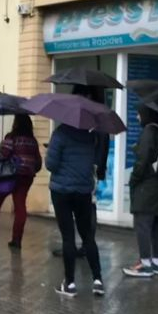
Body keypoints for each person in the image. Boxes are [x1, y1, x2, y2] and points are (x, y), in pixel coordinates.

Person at [47, 122, 104, 297]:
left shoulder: (60, 134)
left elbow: (51, 164)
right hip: (83, 191)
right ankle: (98, 281)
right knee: (87, 236)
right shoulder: (89, 136)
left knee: (68, 237)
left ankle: (70, 283)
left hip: (61, 191)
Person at [123, 106, 158, 278]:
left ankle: (145, 263)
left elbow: (143, 160)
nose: (137, 116)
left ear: (147, 114)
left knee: (143, 224)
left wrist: (133, 179)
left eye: (139, 113)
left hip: (147, 185)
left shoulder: (149, 132)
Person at [0, 114, 42, 246]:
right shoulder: (33, 141)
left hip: (10, 176)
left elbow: (2, 155)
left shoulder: (12, 137)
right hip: (26, 177)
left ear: (16, 123)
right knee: (20, 206)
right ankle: (17, 240)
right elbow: (38, 163)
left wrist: (3, 146)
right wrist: (29, 169)